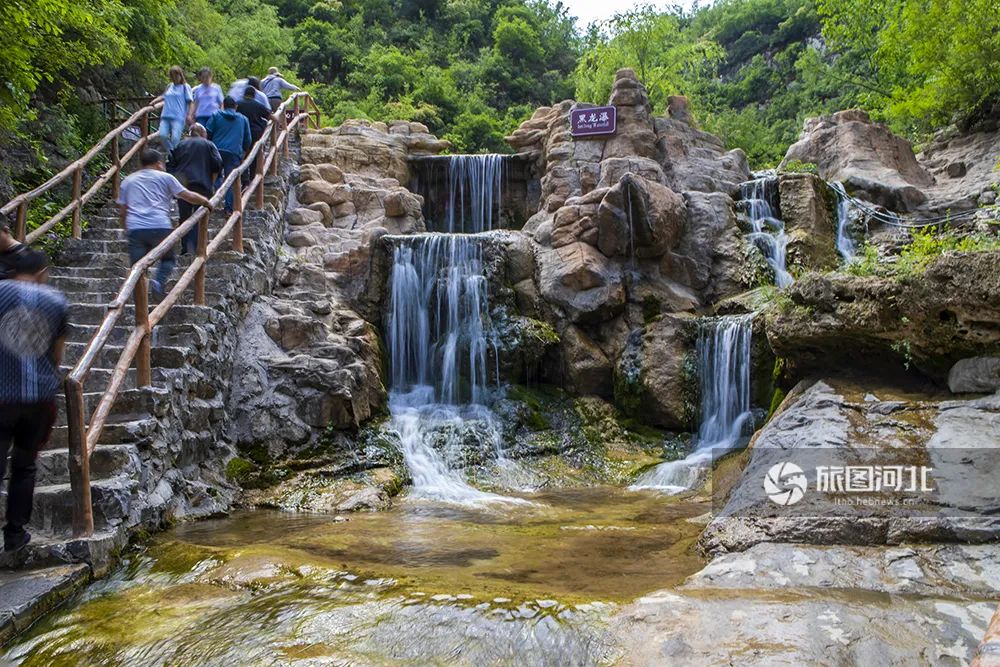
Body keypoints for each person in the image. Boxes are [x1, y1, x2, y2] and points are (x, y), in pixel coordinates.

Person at [0, 249, 67, 552]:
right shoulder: (55, 301)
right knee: (25, 467)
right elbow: (57, 354)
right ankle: (15, 534)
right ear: (41, 272)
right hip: (38, 399)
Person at [117, 149, 213, 295]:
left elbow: (123, 209)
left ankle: (139, 298)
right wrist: (205, 201)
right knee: (168, 260)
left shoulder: (128, 180)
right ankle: (158, 282)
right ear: (157, 163)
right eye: (162, 163)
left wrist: (125, 227)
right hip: (160, 225)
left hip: (136, 228)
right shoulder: (166, 177)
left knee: (137, 267)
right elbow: (186, 195)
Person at [168, 124, 223, 254]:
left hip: (183, 187)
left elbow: (170, 166)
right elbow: (217, 165)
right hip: (203, 185)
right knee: (201, 216)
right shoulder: (209, 145)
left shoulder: (180, 145)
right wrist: (212, 184)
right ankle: (199, 247)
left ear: (190, 133)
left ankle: (186, 248)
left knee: (185, 217)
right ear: (203, 134)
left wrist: (175, 185)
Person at [205, 97, 252, 213]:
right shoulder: (243, 119)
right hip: (234, 152)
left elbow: (208, 132)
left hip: (216, 150)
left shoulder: (216, 116)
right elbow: (248, 139)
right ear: (235, 106)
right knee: (231, 180)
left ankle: (215, 195)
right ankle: (228, 208)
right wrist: (244, 152)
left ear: (223, 105)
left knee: (214, 175)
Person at [160, 66, 194, 151]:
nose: (174, 78)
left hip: (178, 117)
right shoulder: (169, 86)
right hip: (165, 115)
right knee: (162, 135)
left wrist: (189, 114)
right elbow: (163, 96)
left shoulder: (185, 87)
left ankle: (173, 156)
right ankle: (173, 154)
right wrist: (153, 102)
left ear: (180, 75)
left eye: (176, 75)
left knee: (175, 138)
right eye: (172, 76)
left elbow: (190, 102)